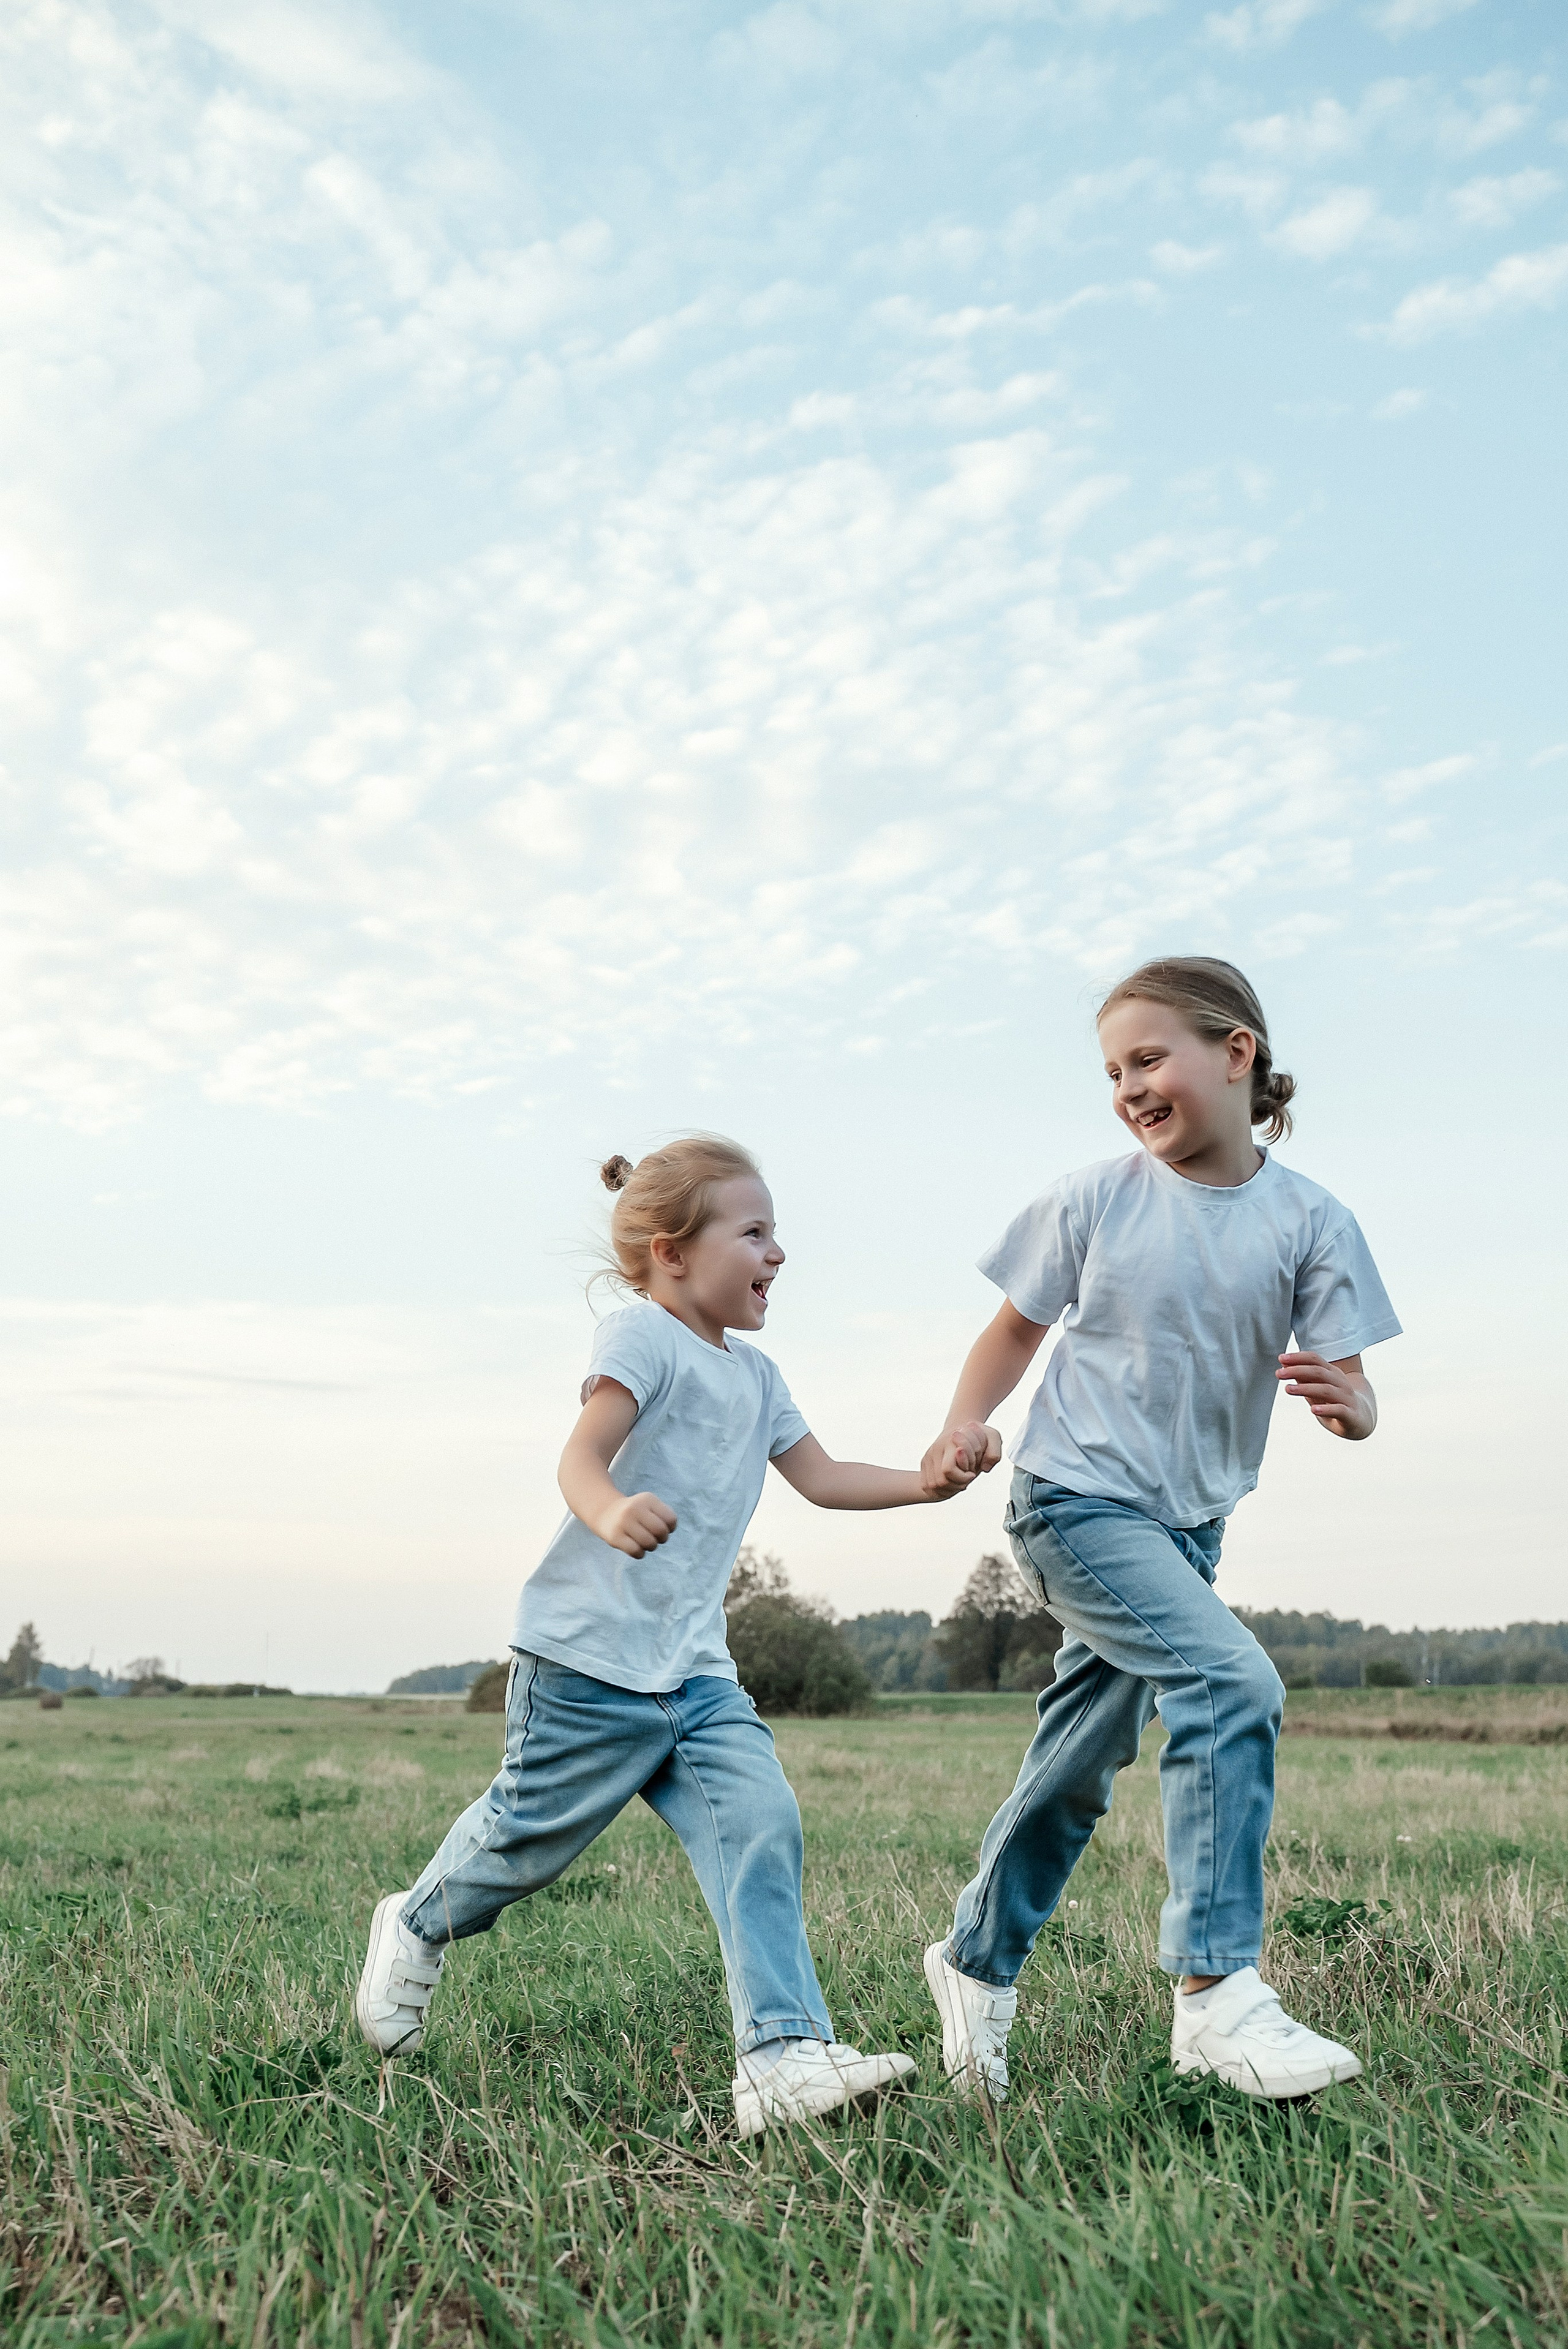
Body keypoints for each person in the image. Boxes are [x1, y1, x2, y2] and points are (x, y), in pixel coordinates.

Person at [356, 1134, 981, 2136]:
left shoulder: (761, 1375)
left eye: (779, 1231)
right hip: (586, 1664)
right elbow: (582, 1454)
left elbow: (821, 1480)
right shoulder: (640, 1339)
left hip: (693, 1674)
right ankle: (419, 1918)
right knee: (522, 1843)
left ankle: (780, 2057)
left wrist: (925, 1481)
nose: (779, 1252)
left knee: (762, 1826)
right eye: (756, 1232)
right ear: (672, 1252)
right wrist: (606, 1511)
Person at [921, 957, 1401, 2103]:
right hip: (1075, 1502)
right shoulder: (1098, 1197)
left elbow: (1358, 1386)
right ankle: (1217, 1993)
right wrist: (962, 1423)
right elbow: (1013, 1328)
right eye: (1113, 1071)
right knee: (1232, 1683)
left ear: (1236, 1053)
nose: (1129, 1087)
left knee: (1080, 1765)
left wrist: (1354, 1409)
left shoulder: (1312, 1220)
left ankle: (974, 1963)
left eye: (1149, 1058)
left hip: (1189, 1531)